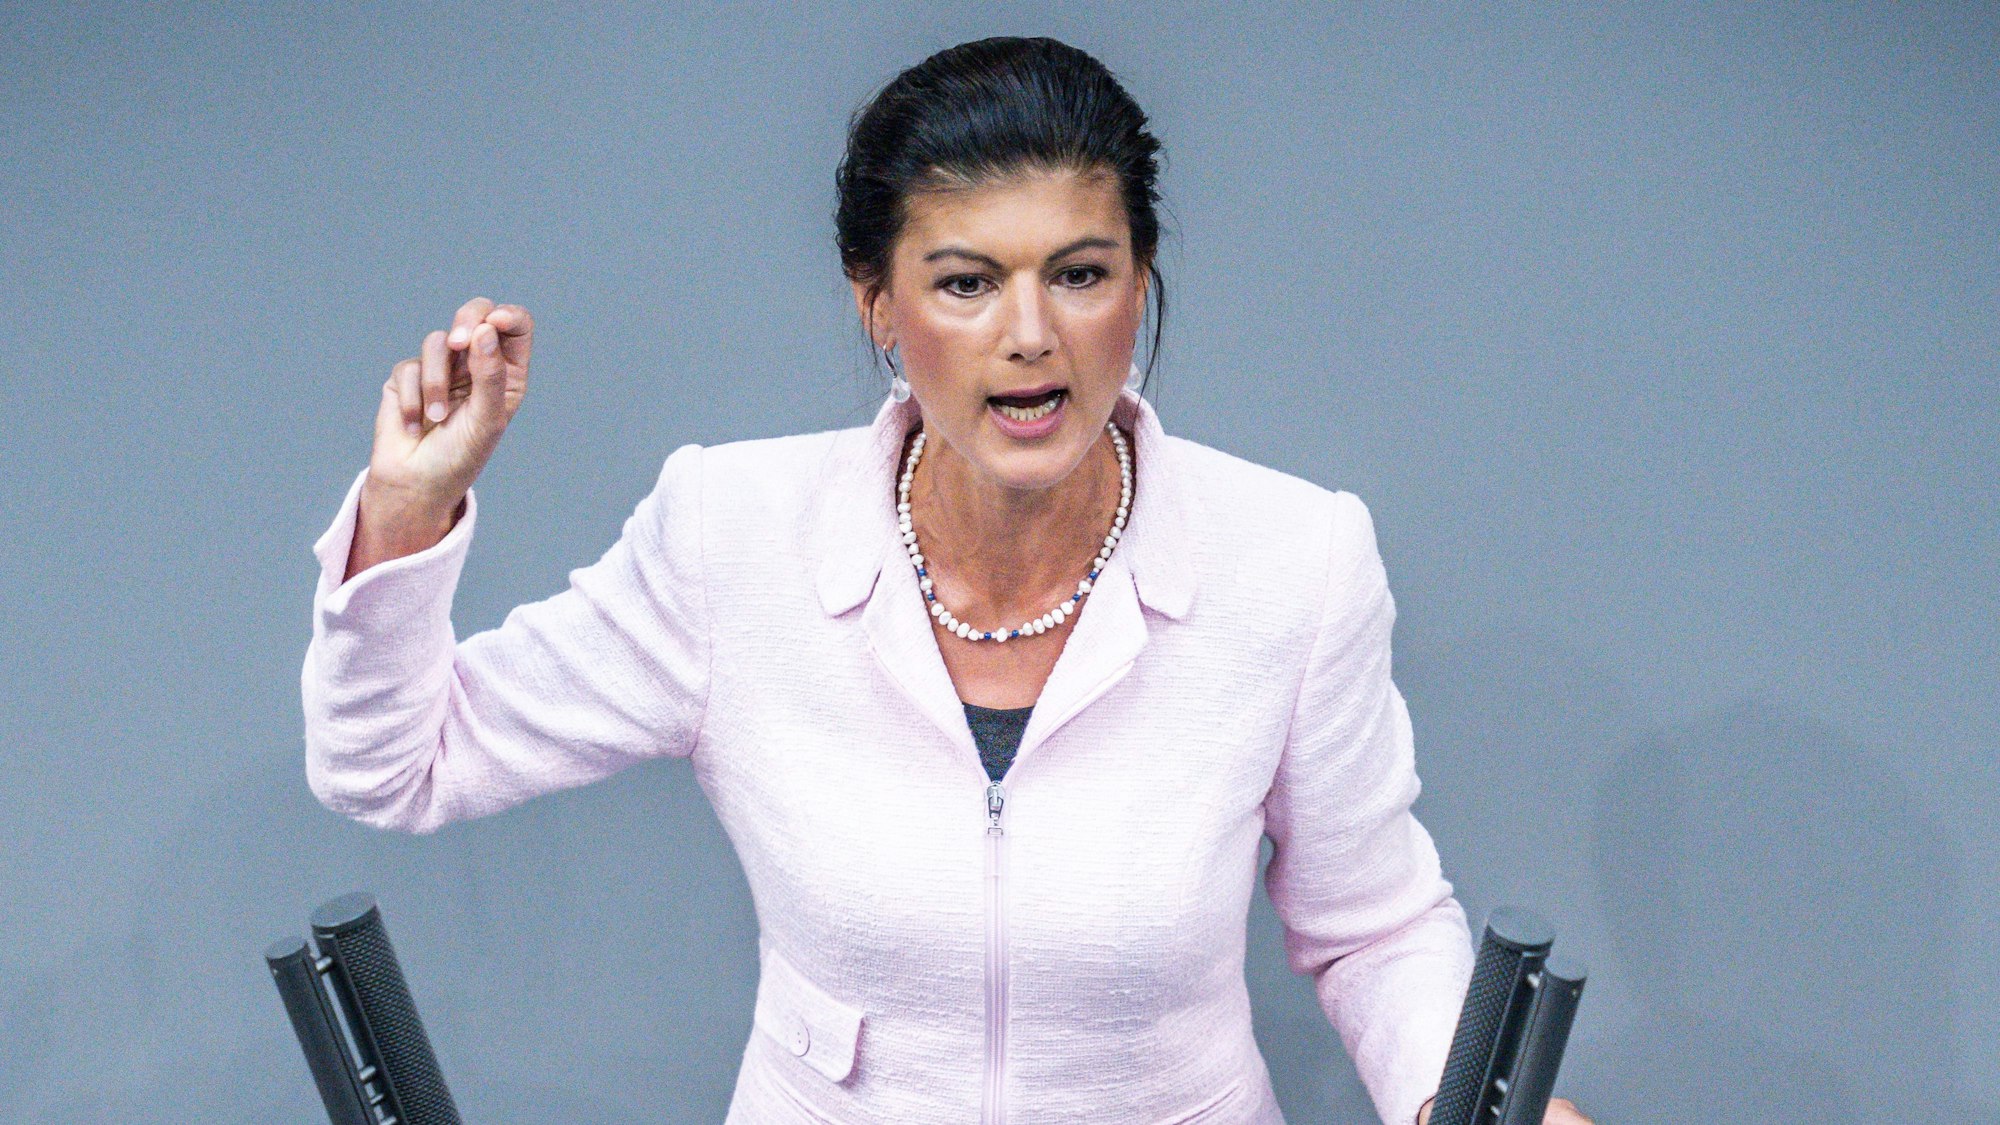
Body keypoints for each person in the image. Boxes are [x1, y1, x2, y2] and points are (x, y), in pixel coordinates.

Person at [301, 35, 1593, 1125]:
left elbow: (1372, 925)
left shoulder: (1295, 560)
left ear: (1139, 285)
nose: (1030, 333)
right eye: (965, 282)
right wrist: (410, 505)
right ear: (877, 302)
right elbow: (395, 761)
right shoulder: (729, 535)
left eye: (1080, 274)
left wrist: (1471, 1097)